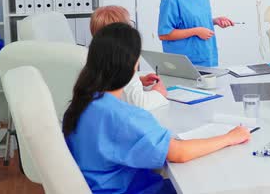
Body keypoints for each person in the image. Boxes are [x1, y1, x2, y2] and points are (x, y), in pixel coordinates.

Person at [63, 23, 250, 193]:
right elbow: (179, 153)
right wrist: (229, 137)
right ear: (132, 65)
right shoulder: (122, 117)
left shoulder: (83, 103)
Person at [90, 5, 168, 110]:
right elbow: (140, 103)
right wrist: (158, 93)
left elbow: (114, 87)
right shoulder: (123, 63)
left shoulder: (94, 58)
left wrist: (139, 81)